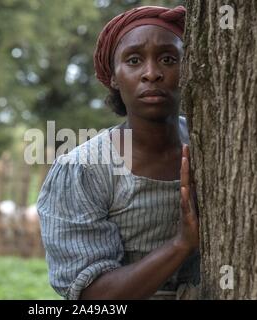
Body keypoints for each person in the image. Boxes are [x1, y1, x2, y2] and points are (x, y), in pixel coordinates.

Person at [37, 5, 200, 300]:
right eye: (134, 60)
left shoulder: (208, 144)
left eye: (168, 58)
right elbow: (91, 297)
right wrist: (181, 244)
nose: (152, 73)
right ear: (114, 76)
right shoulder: (84, 169)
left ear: (187, 69)